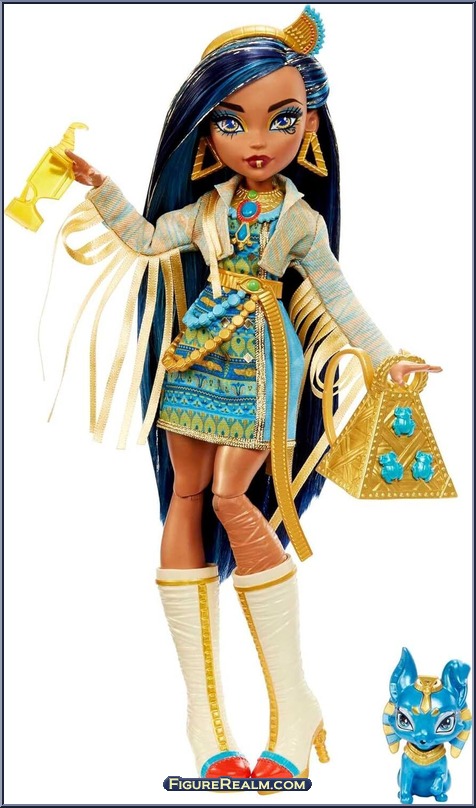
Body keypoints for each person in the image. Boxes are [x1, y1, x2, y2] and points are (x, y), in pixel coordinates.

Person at [61, 6, 441, 781]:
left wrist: (386, 358)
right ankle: (205, 724)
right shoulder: (206, 208)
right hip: (195, 359)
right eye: (233, 121)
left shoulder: (298, 220)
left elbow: (338, 296)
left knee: (235, 499)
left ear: (310, 128)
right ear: (207, 135)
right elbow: (146, 240)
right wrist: (101, 189)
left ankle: (294, 703)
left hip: (263, 365)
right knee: (184, 498)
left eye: (282, 118)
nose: (258, 139)